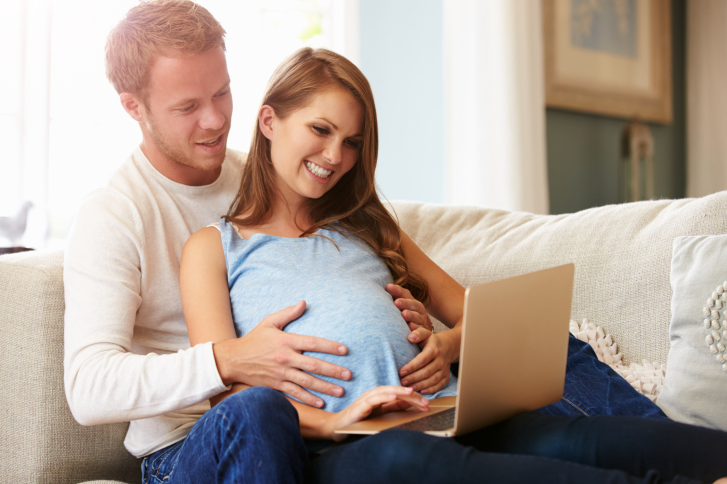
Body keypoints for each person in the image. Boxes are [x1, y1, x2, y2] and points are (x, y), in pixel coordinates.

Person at [180, 46, 727, 484]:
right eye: (320, 131)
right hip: (338, 447)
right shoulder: (215, 247)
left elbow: (475, 315)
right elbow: (230, 392)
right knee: (417, 464)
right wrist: (336, 422)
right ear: (270, 121)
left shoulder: (368, 224)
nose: (334, 157)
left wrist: (446, 345)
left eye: (351, 142)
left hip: (443, 414)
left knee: (590, 440)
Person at [63, 2, 359, 482]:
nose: (215, 120)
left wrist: (398, 299)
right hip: (188, 447)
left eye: (221, 92)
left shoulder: (265, 176)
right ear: (133, 106)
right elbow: (88, 388)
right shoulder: (115, 214)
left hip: (310, 421)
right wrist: (228, 360)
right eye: (187, 107)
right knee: (258, 410)